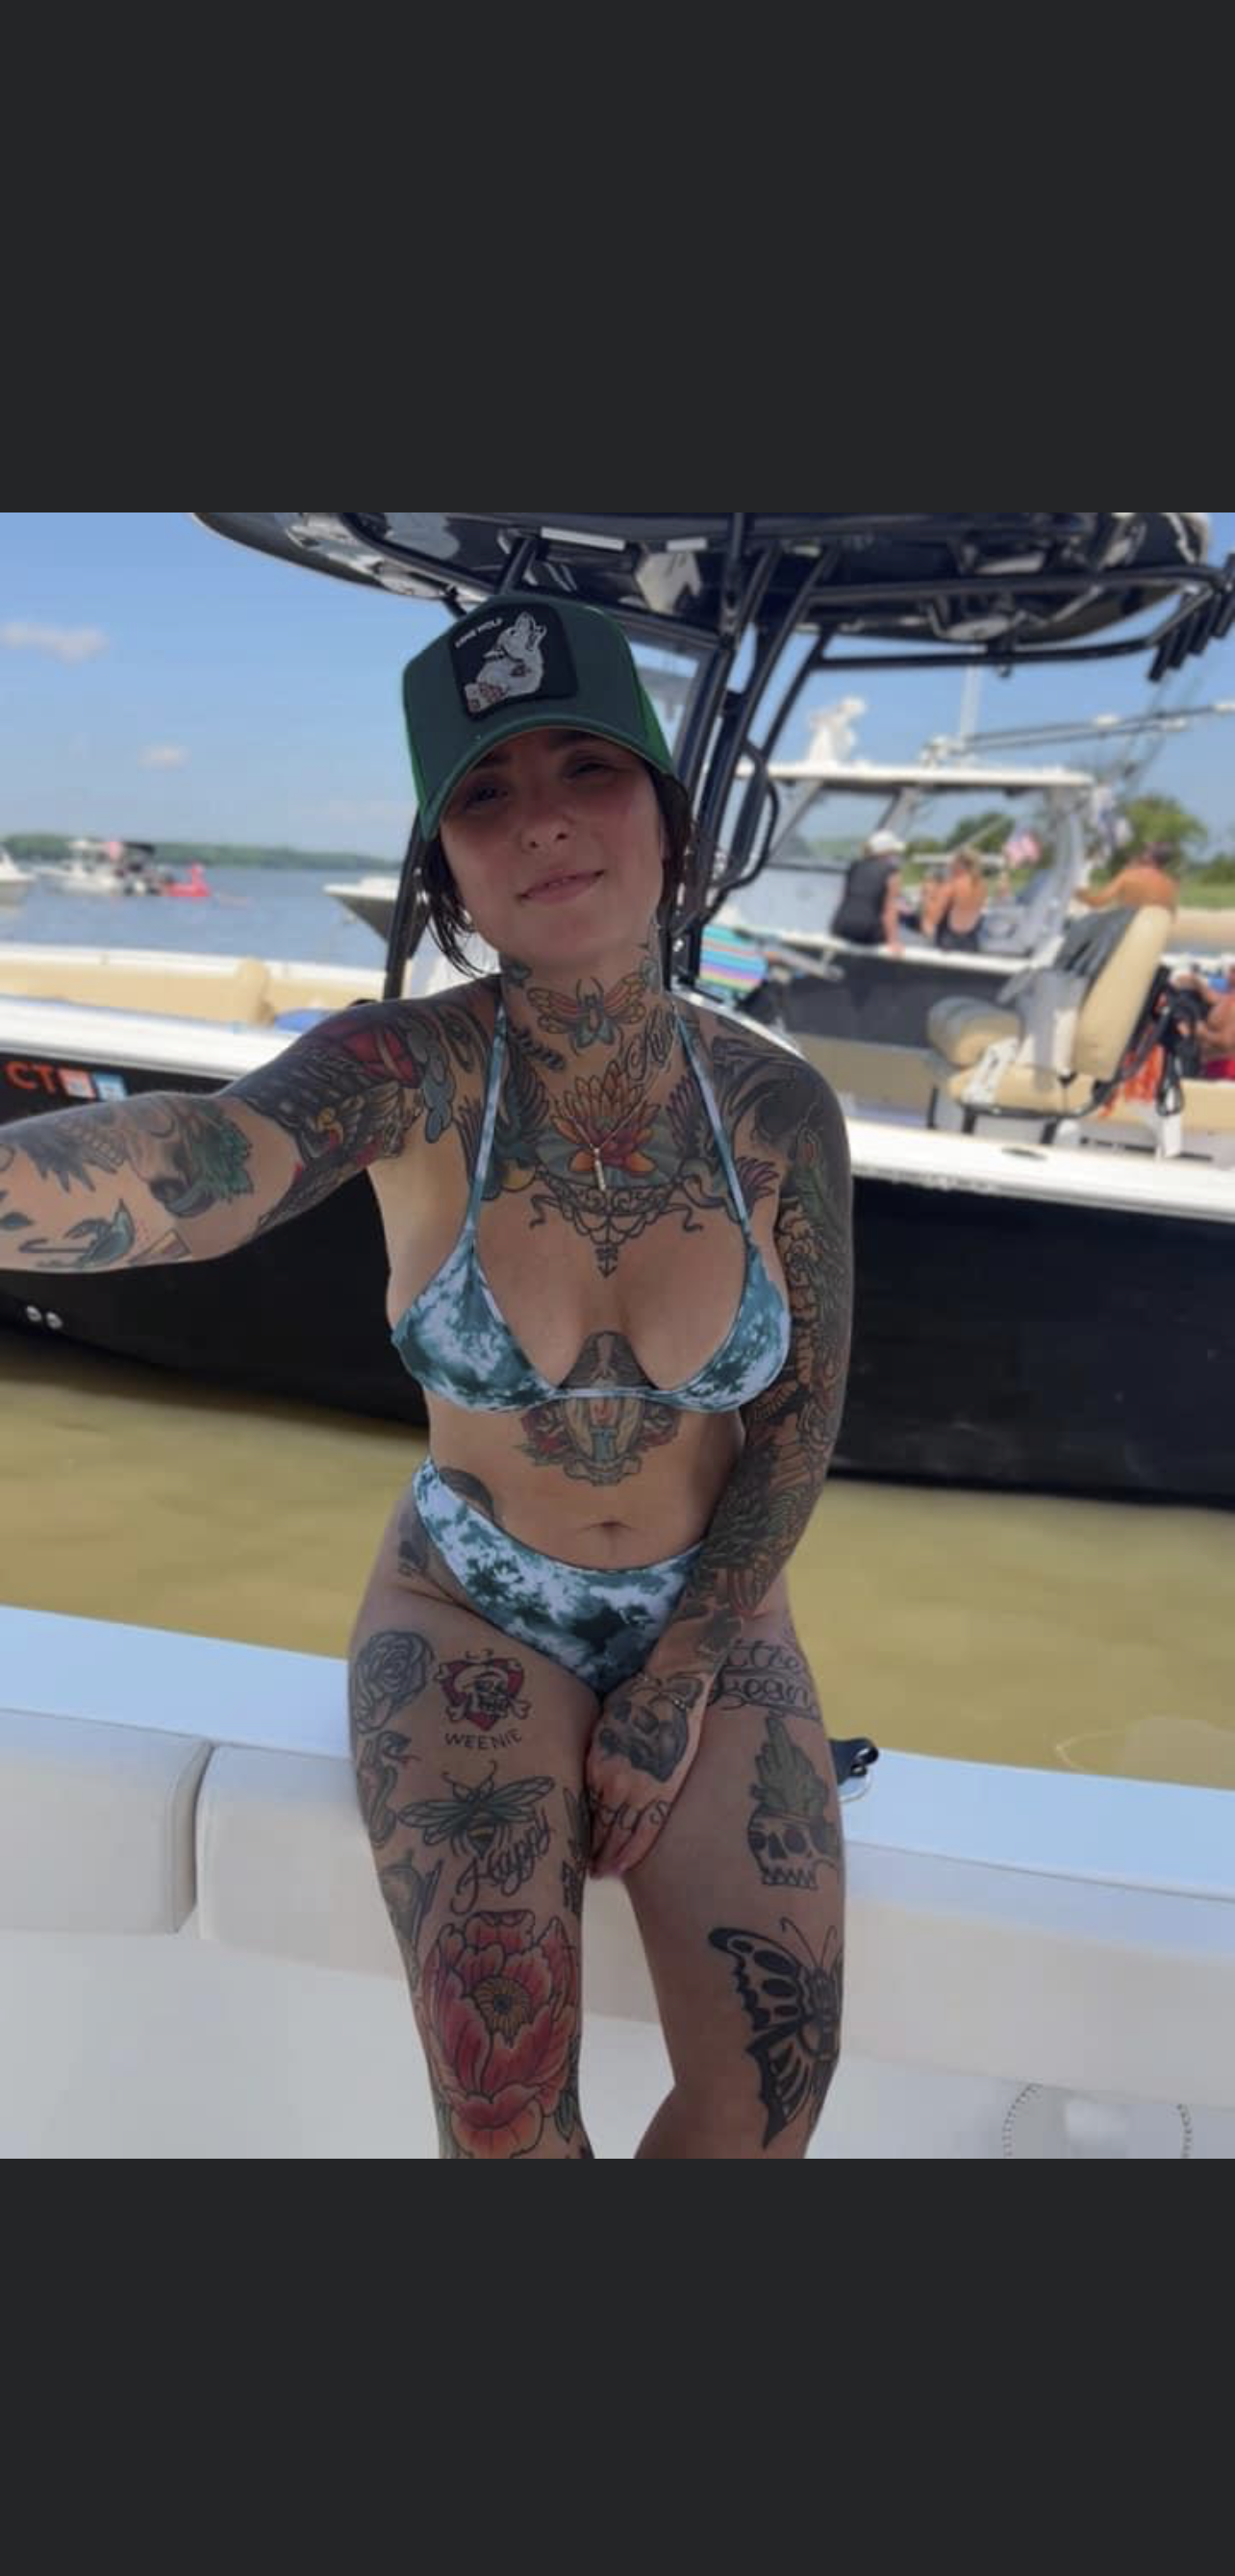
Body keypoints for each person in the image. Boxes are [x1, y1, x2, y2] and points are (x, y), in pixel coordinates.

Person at [0, 591, 853, 2163]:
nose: (540, 820)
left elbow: (798, 1424)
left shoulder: (778, 1110)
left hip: (715, 1615)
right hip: (472, 1607)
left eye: (585, 766)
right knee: (504, 2118)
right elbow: (198, 1165)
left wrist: (674, 1682)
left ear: (667, 814)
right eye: (482, 793)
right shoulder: (406, 1074)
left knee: (771, 2091)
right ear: (444, 865)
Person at [830, 827, 905, 952]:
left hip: (840, 928)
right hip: (867, 932)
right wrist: (893, 942)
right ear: (887, 852)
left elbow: (842, 899)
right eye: (894, 852)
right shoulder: (892, 872)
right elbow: (890, 909)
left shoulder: (854, 866)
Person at [1077, 838, 1180, 913]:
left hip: (1127, 932)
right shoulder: (1171, 885)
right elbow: (1170, 914)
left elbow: (1098, 902)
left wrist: (1079, 892)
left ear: (1148, 855)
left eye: (1145, 850)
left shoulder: (1129, 876)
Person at [919, 849, 990, 953]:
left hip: (948, 944)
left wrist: (927, 896)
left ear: (960, 864)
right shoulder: (981, 886)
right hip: (972, 942)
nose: (949, 865)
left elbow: (933, 918)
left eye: (952, 862)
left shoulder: (952, 886)